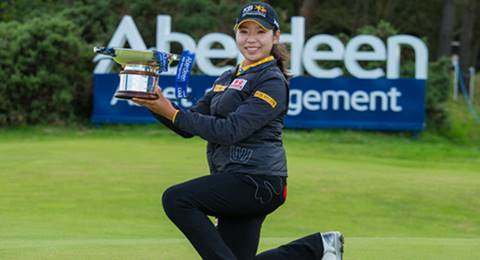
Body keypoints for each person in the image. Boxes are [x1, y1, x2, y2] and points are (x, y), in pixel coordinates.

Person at [133, 2, 344, 259]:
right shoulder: (226, 78)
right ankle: (319, 247)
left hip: (259, 181)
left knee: (177, 199)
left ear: (275, 36)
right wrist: (153, 103)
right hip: (236, 178)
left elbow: (230, 131)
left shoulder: (272, 80)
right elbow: (190, 124)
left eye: (260, 32)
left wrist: (171, 112)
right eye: (244, 32)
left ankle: (317, 248)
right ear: (236, 35)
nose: (251, 39)